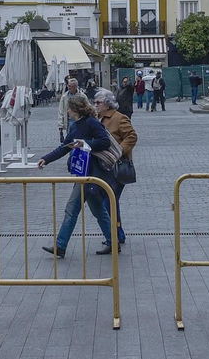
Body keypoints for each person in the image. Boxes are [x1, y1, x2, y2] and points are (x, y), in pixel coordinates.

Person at [38, 92, 119, 257]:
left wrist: (85, 143)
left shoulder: (91, 123)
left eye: (69, 109)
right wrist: (46, 159)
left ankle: (60, 245)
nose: (67, 112)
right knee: (98, 211)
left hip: (92, 174)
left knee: (71, 209)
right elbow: (65, 147)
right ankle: (113, 242)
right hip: (85, 174)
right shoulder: (76, 126)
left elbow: (104, 141)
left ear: (75, 110)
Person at [94, 88, 136, 253]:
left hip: (117, 167)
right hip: (105, 167)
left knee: (108, 201)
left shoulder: (119, 118)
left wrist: (119, 151)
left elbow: (132, 136)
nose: (95, 105)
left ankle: (113, 237)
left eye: (98, 102)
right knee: (110, 201)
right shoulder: (99, 119)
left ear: (107, 103)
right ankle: (117, 234)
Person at [57, 76, 80, 141]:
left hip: (79, 121)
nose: (69, 88)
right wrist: (60, 125)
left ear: (76, 87)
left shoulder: (81, 96)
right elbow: (61, 110)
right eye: (68, 86)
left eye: (71, 86)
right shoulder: (64, 97)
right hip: (69, 121)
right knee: (71, 140)